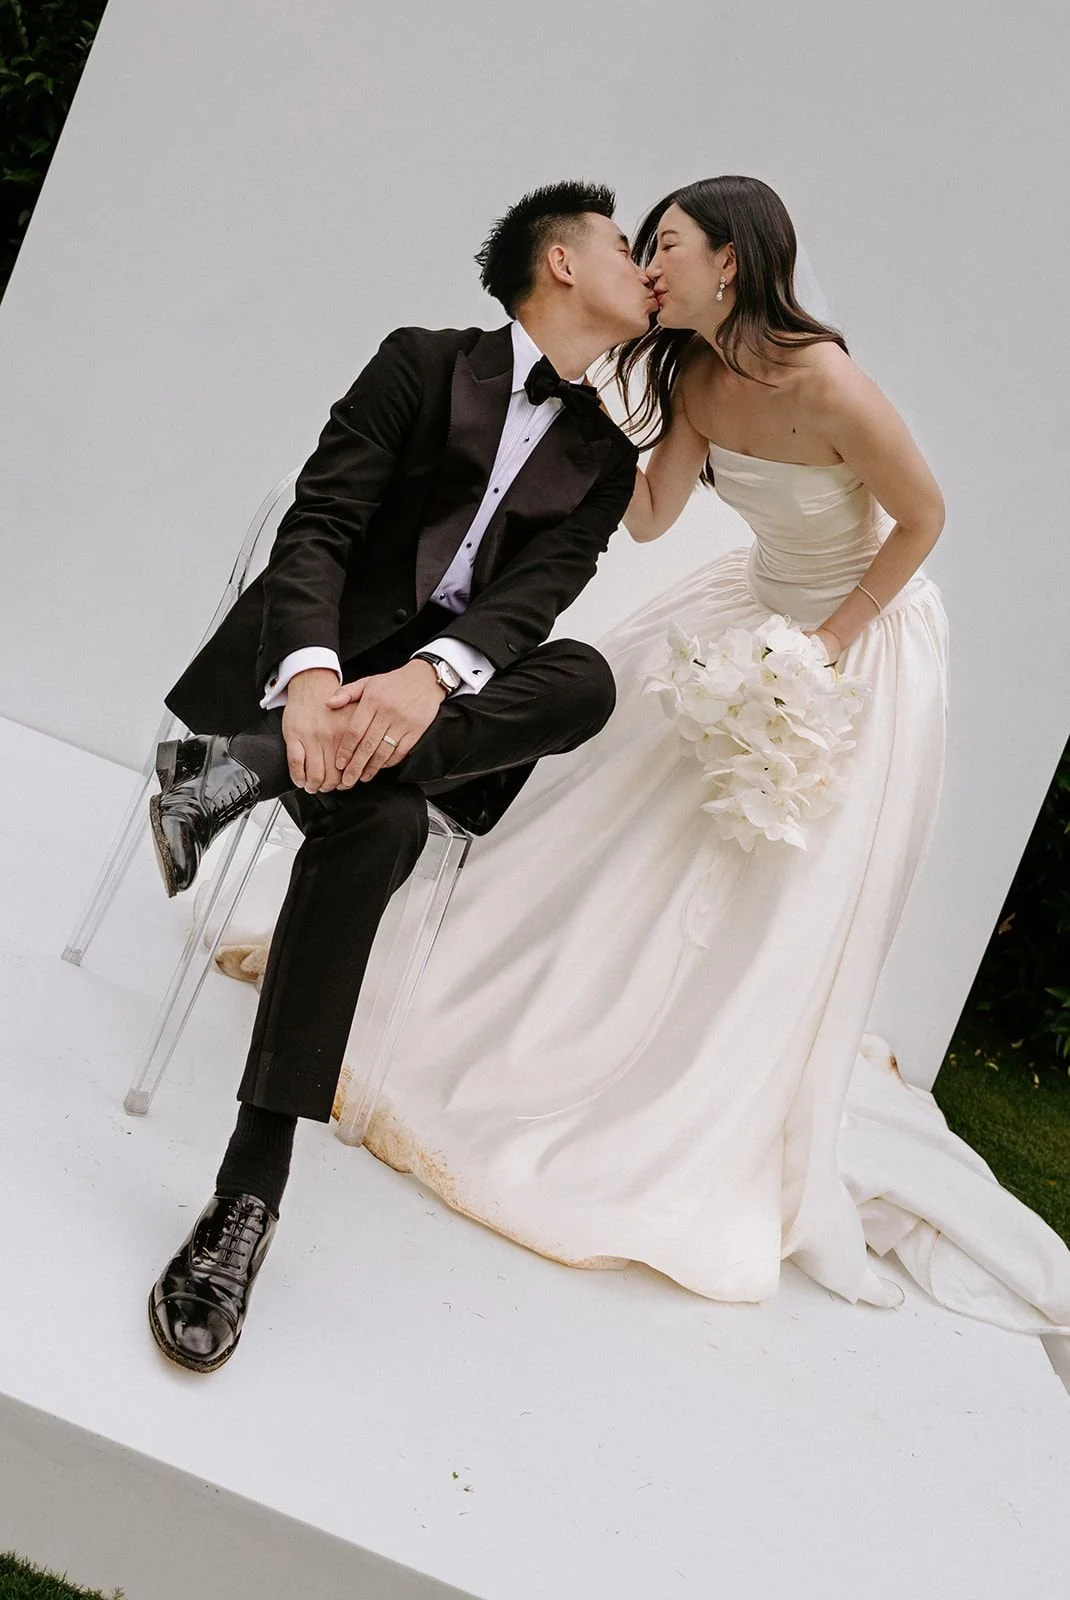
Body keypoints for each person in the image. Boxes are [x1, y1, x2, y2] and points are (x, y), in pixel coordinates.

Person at [218, 175, 1070, 1334]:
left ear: (733, 260)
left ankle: (688, 1077)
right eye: (637, 248)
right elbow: (655, 518)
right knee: (608, 752)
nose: (651, 266)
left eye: (664, 247)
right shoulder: (683, 377)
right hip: (751, 605)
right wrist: (637, 413)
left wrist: (825, 642)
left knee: (761, 870)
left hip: (855, 629)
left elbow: (921, 520)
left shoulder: (828, 381)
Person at [145, 179, 659, 1373]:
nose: (642, 264)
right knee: (376, 834)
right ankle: (248, 1200)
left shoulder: (604, 455)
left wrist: (432, 675)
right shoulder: (420, 362)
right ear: (561, 261)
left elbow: (536, 603)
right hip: (324, 675)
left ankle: (236, 774)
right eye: (626, 244)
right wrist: (316, 684)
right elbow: (320, 523)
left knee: (585, 679)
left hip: (436, 703)